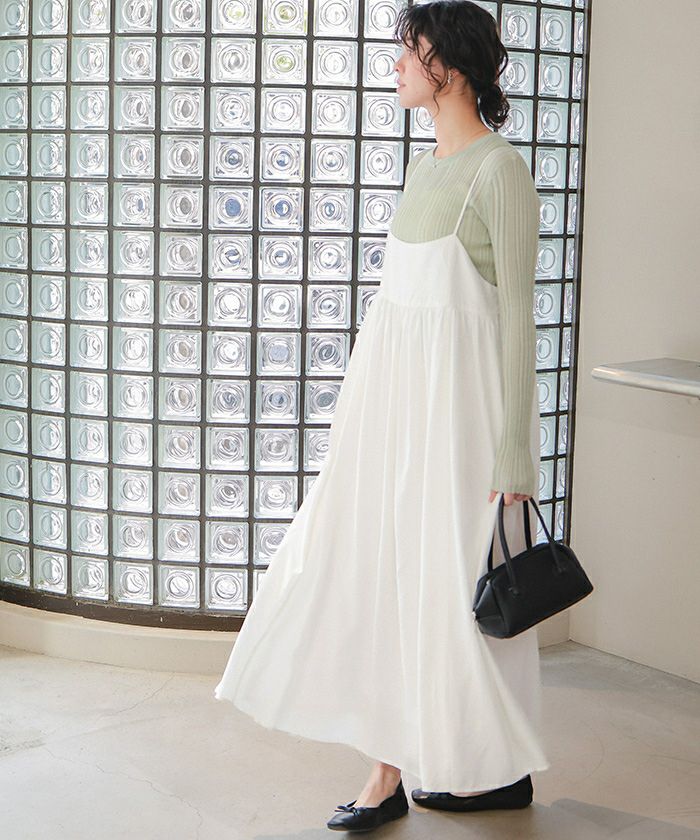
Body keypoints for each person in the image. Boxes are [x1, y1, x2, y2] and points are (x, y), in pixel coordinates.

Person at [214, 0, 549, 832]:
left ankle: (469, 771)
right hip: (395, 416)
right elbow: (399, 313)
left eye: (410, 51)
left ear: (451, 65)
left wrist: (516, 452)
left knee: (451, 591)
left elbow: (517, 319)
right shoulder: (424, 169)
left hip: (461, 423)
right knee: (383, 578)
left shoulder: (499, 172)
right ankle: (400, 768)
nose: (396, 66)